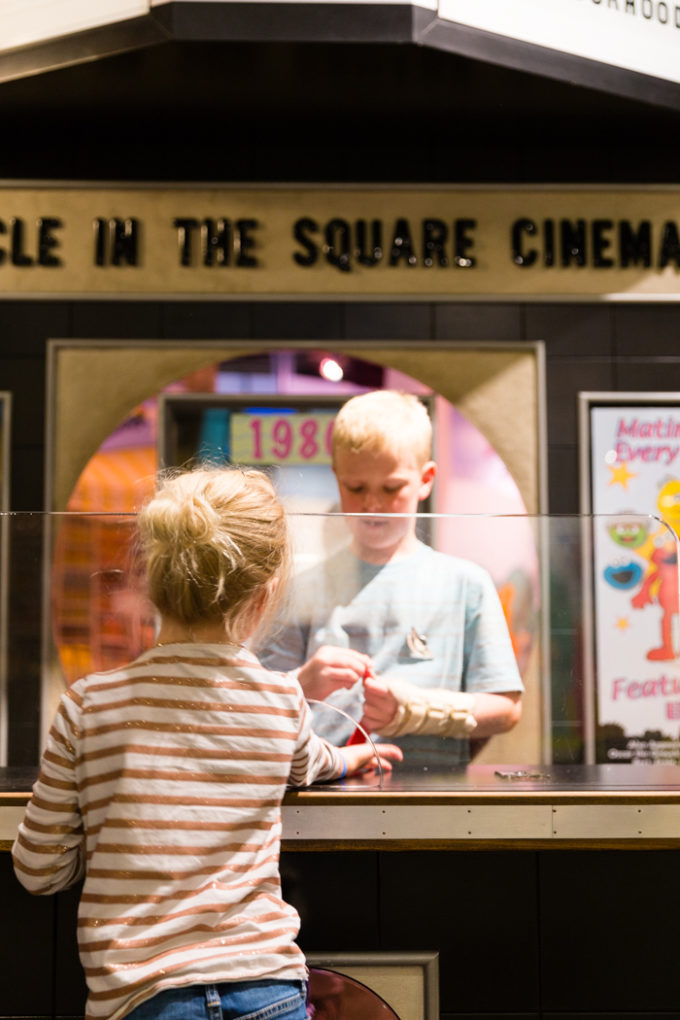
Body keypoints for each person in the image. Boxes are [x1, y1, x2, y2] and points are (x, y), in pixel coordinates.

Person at [12, 467, 401, 1020]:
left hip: (144, 998)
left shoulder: (88, 705)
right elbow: (311, 763)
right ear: (265, 593)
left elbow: (39, 870)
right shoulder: (279, 700)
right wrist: (356, 757)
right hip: (269, 989)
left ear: (147, 580)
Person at [259, 390, 523, 766]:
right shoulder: (300, 588)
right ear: (337, 477)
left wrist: (417, 709)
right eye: (356, 488)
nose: (372, 504)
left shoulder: (467, 584)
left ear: (425, 479)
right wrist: (301, 682)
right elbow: (258, 706)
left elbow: (506, 707)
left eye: (391, 488)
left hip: (431, 797)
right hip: (325, 793)